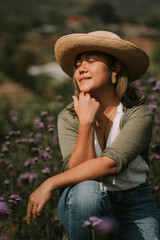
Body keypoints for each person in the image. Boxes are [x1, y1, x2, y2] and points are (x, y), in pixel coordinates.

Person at [26, 31, 160, 240]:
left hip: (134, 203)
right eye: (78, 64)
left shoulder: (139, 113)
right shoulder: (69, 117)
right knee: (88, 190)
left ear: (115, 68)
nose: (81, 68)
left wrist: (49, 182)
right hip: (83, 199)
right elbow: (80, 173)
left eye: (90, 61)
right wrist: (86, 122)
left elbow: (112, 164)